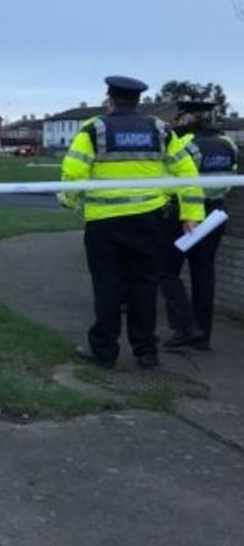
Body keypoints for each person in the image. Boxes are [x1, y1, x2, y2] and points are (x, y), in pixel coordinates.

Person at [60, 76, 204, 370]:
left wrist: (70, 202)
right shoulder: (160, 129)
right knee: (145, 286)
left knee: (108, 285)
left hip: (105, 224)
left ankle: (104, 351)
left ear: (110, 99)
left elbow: (74, 175)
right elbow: (186, 172)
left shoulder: (94, 129)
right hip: (148, 222)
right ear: (138, 101)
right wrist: (191, 214)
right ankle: (146, 352)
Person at [159, 101, 239, 351]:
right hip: (217, 212)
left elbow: (171, 179)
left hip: (185, 214)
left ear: (187, 118)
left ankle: (185, 328)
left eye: (179, 118)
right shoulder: (228, 143)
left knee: (167, 271)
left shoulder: (185, 143)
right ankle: (203, 335)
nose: (177, 123)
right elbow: (232, 174)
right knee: (204, 274)